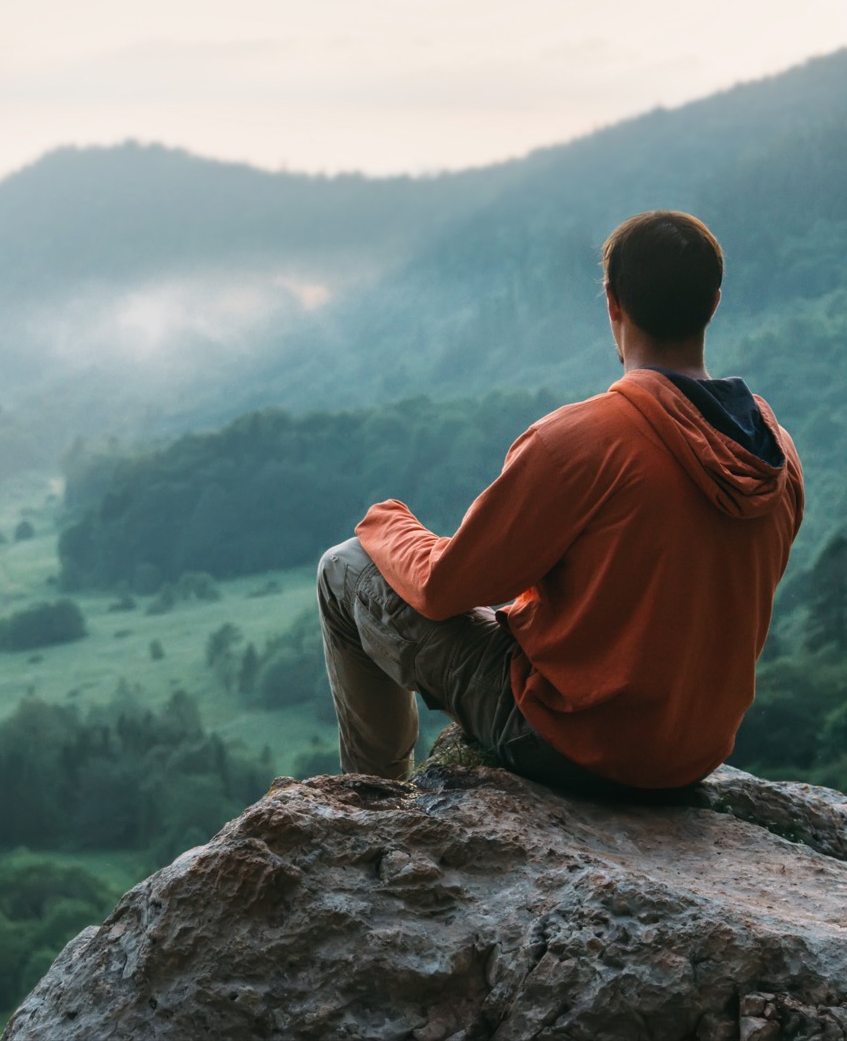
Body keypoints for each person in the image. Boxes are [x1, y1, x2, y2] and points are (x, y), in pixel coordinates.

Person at [316, 210, 803, 801]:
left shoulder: (581, 440)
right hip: (691, 752)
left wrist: (388, 525)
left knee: (343, 567)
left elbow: (445, 588)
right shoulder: (776, 452)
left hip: (568, 740)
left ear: (612, 303)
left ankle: (369, 803)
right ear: (714, 303)